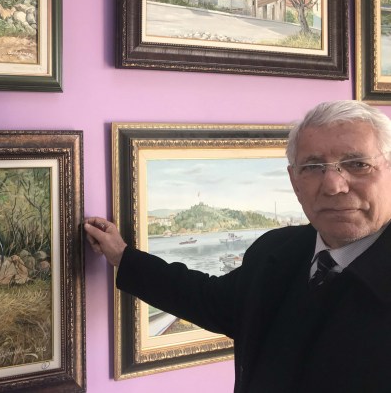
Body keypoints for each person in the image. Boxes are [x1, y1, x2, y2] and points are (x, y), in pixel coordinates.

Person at [85, 100, 391, 392]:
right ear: (294, 181)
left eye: (358, 164)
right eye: (313, 167)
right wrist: (122, 256)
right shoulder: (276, 251)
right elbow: (207, 299)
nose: (334, 186)